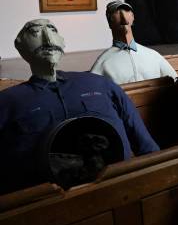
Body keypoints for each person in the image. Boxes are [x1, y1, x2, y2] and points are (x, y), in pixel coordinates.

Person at [0, 19, 159, 194]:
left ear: (62, 41)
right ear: (20, 47)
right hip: (47, 208)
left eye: (52, 30)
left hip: (121, 190)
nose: (47, 39)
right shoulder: (8, 102)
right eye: (35, 33)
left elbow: (146, 147)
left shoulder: (99, 84)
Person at [90, 1, 178, 84]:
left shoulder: (153, 56)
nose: (123, 16)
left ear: (133, 17)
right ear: (110, 21)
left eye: (126, 11)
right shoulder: (103, 63)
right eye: (117, 12)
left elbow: (175, 81)